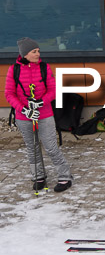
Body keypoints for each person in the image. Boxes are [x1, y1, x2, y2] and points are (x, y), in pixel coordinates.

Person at [4, 38, 73, 192]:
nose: (38, 54)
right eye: (34, 51)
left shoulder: (44, 67)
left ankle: (65, 176)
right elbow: (9, 93)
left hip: (44, 114)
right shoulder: (13, 70)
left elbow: (53, 90)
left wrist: (41, 102)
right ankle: (39, 177)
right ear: (25, 54)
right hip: (24, 116)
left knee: (50, 147)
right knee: (32, 148)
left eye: (38, 51)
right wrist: (24, 109)